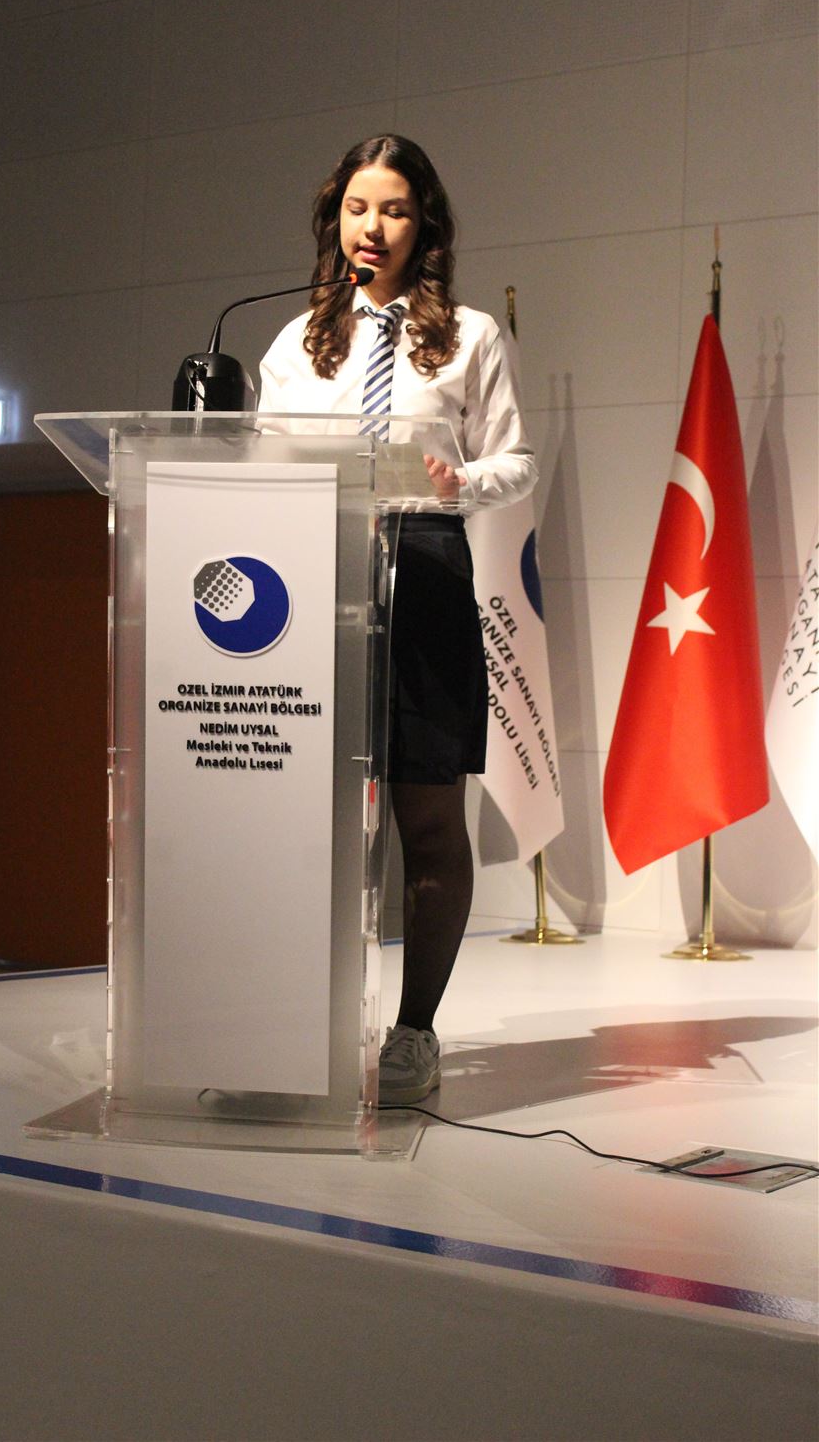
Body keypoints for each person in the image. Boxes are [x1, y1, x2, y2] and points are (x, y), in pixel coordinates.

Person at [258, 135, 536, 1105]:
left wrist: (461, 482)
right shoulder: (294, 342)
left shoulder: (469, 335)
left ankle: (413, 1031)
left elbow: (516, 461)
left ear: (426, 227)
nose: (371, 227)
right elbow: (261, 458)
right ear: (333, 220)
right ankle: (304, 1026)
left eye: (394, 210)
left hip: (423, 570)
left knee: (427, 817)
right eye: (356, 208)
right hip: (315, 576)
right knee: (315, 822)